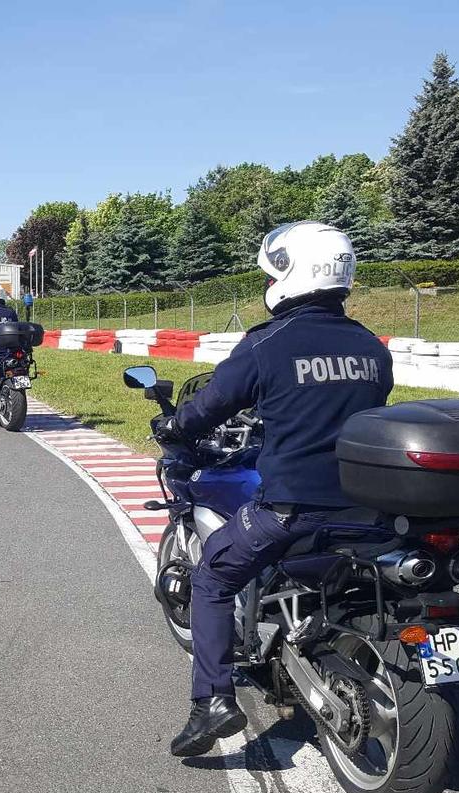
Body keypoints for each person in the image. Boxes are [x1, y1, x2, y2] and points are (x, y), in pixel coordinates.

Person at [167, 221, 394, 758]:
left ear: (292, 273)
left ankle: (212, 702)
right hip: (369, 510)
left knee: (213, 576)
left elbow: (211, 406)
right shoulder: (371, 346)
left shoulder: (267, 343)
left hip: (292, 511)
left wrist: (175, 427)